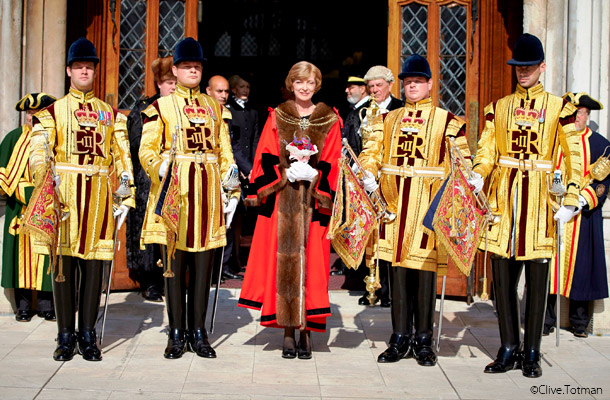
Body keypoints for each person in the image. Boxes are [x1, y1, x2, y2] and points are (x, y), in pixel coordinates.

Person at [469, 33, 582, 378]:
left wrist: (573, 196)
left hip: (539, 202)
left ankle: (531, 349)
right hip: (504, 198)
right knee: (501, 279)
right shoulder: (498, 107)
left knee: (536, 279)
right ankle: (507, 346)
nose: (523, 73)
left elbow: (574, 154)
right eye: (518, 67)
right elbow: (487, 149)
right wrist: (477, 173)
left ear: (542, 67)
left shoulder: (559, 107)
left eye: (529, 67)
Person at [30, 37, 136, 362]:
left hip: (100, 196)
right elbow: (38, 150)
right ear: (69, 71)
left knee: (93, 267)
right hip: (64, 197)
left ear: (94, 71)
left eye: (89, 67)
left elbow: (122, 155)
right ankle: (65, 335)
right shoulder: (52, 112)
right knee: (62, 267)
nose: (84, 72)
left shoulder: (110, 114)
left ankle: (88, 333)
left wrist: (126, 190)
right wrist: (44, 180)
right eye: (79, 67)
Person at [359, 54, 469, 367]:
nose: (412, 87)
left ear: (430, 84)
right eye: (408, 82)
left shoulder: (447, 120)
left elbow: (462, 159)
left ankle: (423, 338)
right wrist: (368, 171)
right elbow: (372, 152)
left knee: (423, 273)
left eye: (418, 82)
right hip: (394, 206)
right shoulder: (389, 119)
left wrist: (468, 177)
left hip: (426, 206)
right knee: (398, 272)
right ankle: (398, 336)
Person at [140, 38, 240, 359]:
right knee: (173, 266)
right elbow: (146, 151)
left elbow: (224, 151)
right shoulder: (160, 107)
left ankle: (198, 331)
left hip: (207, 194)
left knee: (202, 265)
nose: (192, 71)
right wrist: (160, 166)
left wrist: (231, 178)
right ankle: (176, 331)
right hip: (175, 193)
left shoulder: (215, 108)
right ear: (176, 70)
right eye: (186, 66)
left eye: (197, 66)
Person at [238, 61, 342, 359]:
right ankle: (286, 331)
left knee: (312, 266)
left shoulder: (329, 118)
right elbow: (265, 156)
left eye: (310, 82)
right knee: (284, 267)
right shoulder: (278, 115)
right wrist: (285, 174)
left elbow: (334, 161)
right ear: (291, 84)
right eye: (299, 82)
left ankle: (307, 331)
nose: (305, 87)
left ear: (317, 84)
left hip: (313, 204)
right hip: (284, 202)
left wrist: (316, 177)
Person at [544, 92, 609, 339]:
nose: (574, 119)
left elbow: (602, 181)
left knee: (581, 266)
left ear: (586, 115)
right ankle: (545, 320)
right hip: (554, 210)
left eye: (578, 114)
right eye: (570, 114)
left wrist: (581, 200)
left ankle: (579, 323)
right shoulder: (554, 141)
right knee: (548, 267)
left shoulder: (600, 145)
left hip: (582, 215)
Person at [0, 93, 56, 322]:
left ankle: (46, 304)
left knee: (47, 256)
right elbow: (3, 173)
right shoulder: (13, 138)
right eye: (30, 113)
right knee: (19, 256)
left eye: (38, 113)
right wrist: (28, 193)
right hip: (20, 208)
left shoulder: (54, 137)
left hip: (49, 206)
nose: (33, 117)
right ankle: (23, 305)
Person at [126, 56, 176, 302]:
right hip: (148, 178)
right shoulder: (145, 108)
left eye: (175, 82)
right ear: (158, 83)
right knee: (148, 232)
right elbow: (135, 143)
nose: (172, 87)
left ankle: (172, 279)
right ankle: (150, 281)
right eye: (168, 82)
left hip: (177, 180)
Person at [356, 65, 404, 307]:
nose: (374, 90)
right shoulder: (364, 110)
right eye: (371, 86)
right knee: (369, 234)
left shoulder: (402, 109)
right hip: (366, 178)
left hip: (391, 180)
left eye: (379, 85)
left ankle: (389, 292)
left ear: (390, 85)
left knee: (388, 234)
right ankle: (369, 287)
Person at [206, 75, 249, 281]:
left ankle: (222, 267)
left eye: (225, 92)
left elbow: (234, 147)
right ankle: (211, 269)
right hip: (205, 176)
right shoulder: (203, 113)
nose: (223, 96)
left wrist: (249, 170)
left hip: (226, 174)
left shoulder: (228, 114)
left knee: (228, 222)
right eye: (219, 91)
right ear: (208, 91)